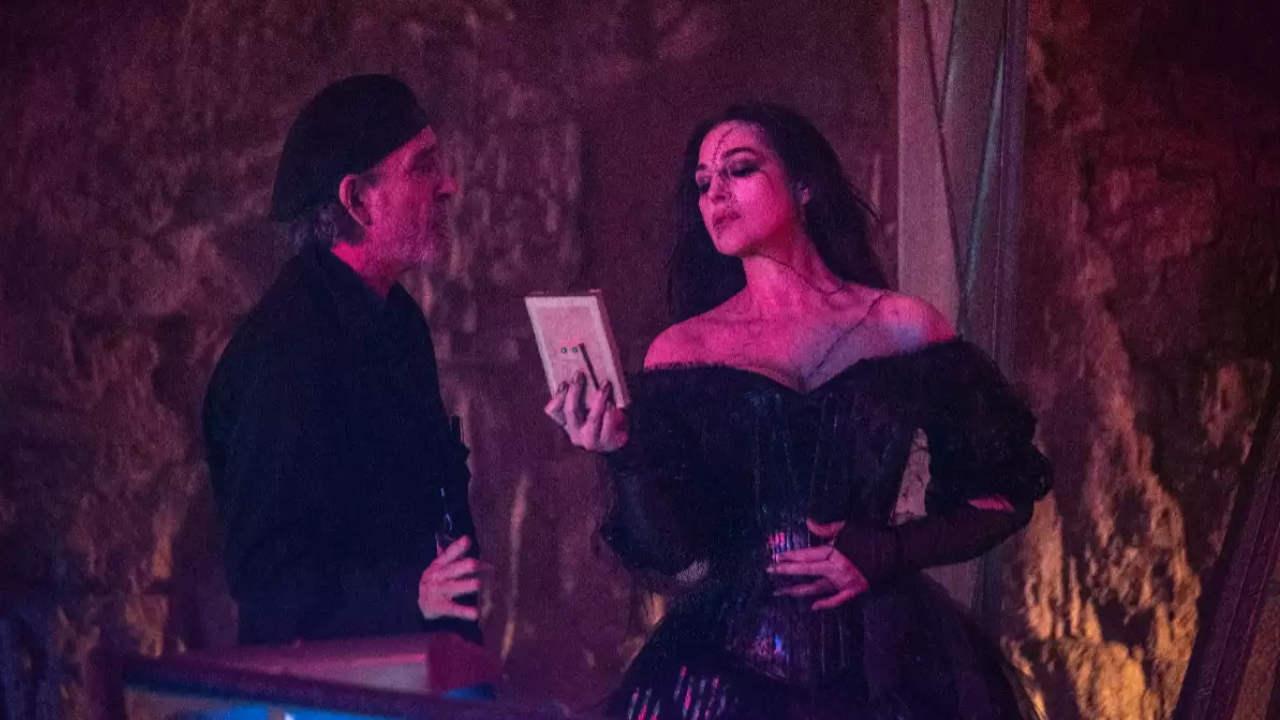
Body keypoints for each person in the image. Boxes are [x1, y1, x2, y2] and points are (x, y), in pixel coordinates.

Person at [545, 103, 1053, 719]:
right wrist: (623, 452)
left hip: (888, 664)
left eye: (740, 169)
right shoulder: (682, 351)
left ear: (805, 186)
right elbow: (673, 550)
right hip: (729, 668)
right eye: (703, 183)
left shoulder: (902, 325)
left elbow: (1002, 494)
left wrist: (886, 550)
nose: (715, 194)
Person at [203, 74, 486, 647]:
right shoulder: (288, 348)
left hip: (417, 670)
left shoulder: (399, 323)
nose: (448, 185)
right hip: (334, 684)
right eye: (422, 167)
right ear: (357, 201)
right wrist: (406, 593)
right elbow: (265, 575)